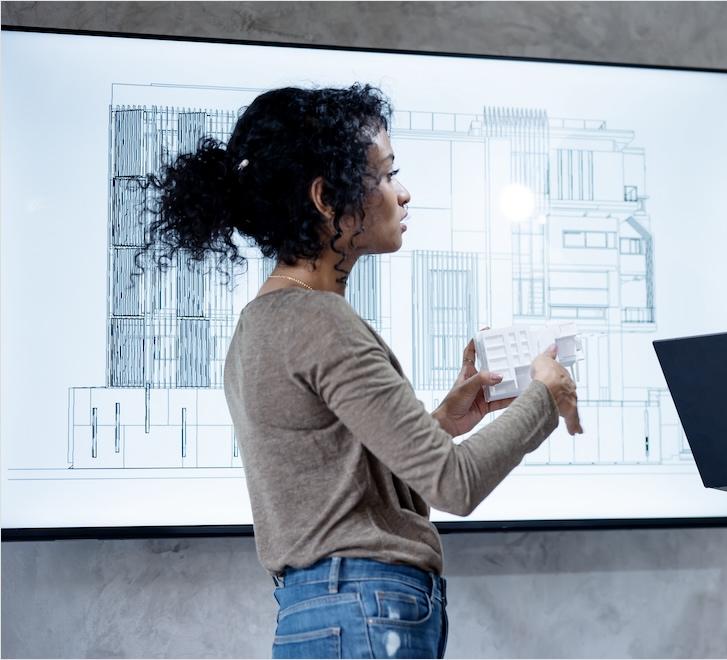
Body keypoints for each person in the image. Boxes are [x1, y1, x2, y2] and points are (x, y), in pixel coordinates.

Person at [143, 84, 582, 659]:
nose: (403, 194)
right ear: (327, 199)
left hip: (326, 610)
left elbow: (339, 483)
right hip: (363, 609)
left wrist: (441, 423)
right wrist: (545, 395)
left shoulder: (263, 322)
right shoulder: (321, 322)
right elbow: (455, 484)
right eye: (386, 175)